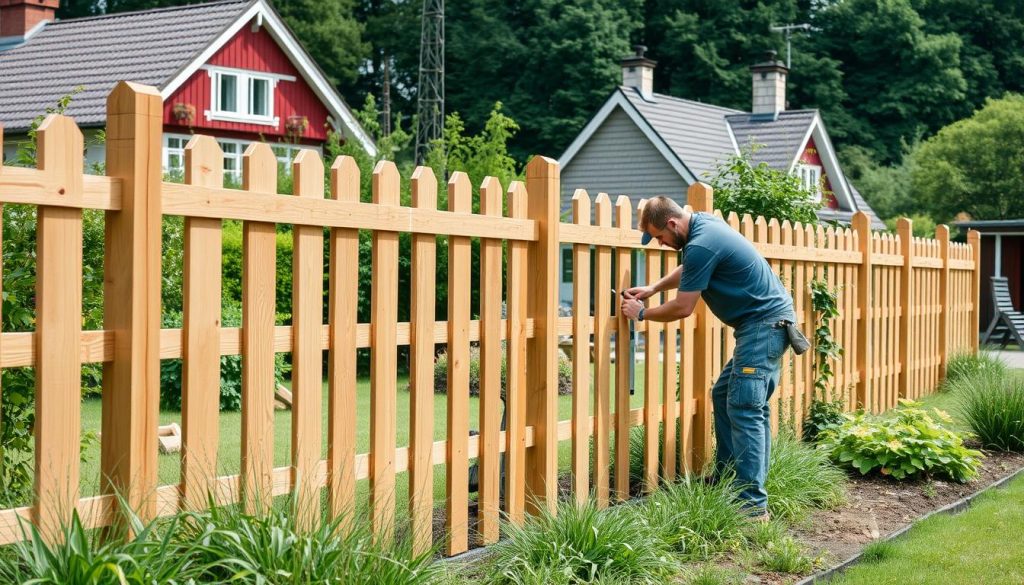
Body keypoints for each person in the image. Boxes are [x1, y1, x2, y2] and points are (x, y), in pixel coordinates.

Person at [620, 196, 796, 520]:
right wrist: (653, 287)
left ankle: (751, 505)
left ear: (672, 224)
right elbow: (691, 269)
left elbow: (683, 307)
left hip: (763, 327)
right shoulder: (703, 227)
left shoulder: (702, 242)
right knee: (725, 395)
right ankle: (731, 478)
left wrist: (642, 313)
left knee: (745, 407)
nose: (660, 243)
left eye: (660, 237)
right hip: (763, 326)